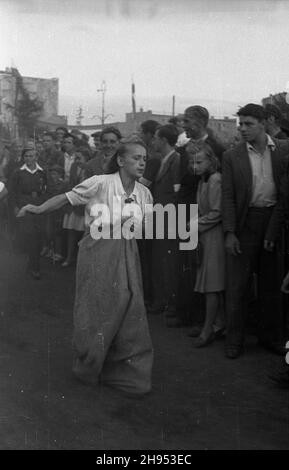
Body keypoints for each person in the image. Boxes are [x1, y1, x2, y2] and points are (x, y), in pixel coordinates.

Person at [18, 137, 154, 396]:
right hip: (97, 253)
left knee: (130, 308)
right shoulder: (100, 183)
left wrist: (188, 226)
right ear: (121, 160)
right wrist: (37, 208)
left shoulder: (144, 193)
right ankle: (89, 364)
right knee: (98, 307)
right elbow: (64, 198)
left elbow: (149, 226)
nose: (142, 163)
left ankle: (125, 372)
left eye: (144, 159)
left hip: (127, 254)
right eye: (136, 158)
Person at [222, 103, 289, 359]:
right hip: (245, 223)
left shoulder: (284, 150)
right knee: (238, 285)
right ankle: (234, 340)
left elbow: (284, 196)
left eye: (249, 124)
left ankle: (270, 337)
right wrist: (230, 232)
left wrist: (273, 231)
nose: (243, 129)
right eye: (241, 124)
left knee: (272, 285)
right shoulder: (232, 156)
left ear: (264, 123)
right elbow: (227, 197)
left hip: (274, 222)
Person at [188, 144, 225, 347]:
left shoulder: (215, 180)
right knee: (212, 284)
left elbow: (217, 212)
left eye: (199, 162)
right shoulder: (204, 180)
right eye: (193, 162)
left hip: (214, 237)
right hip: (206, 235)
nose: (195, 166)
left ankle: (208, 329)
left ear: (211, 161)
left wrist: (194, 225)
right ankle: (218, 324)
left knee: (212, 286)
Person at [149, 124, 181, 324]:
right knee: (161, 260)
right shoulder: (163, 160)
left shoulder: (176, 160)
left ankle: (172, 303)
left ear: (164, 140)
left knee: (170, 262)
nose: (153, 141)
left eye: (156, 137)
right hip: (161, 216)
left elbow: (178, 192)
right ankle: (164, 300)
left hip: (170, 218)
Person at [10, 148, 46, 279]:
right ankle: (35, 268)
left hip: (40, 205)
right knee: (32, 236)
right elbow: (12, 192)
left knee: (39, 235)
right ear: (23, 158)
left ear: (36, 157)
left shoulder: (42, 172)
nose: (29, 158)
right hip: (24, 205)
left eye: (31, 156)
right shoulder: (18, 173)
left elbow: (46, 189)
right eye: (26, 156)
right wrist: (15, 207)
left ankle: (31, 265)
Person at [61, 147, 90, 267]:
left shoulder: (90, 169)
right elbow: (70, 184)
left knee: (84, 234)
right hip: (74, 203)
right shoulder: (74, 167)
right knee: (71, 232)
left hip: (85, 206)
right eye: (76, 158)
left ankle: (82, 260)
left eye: (79, 158)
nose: (77, 160)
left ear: (87, 158)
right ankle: (69, 257)